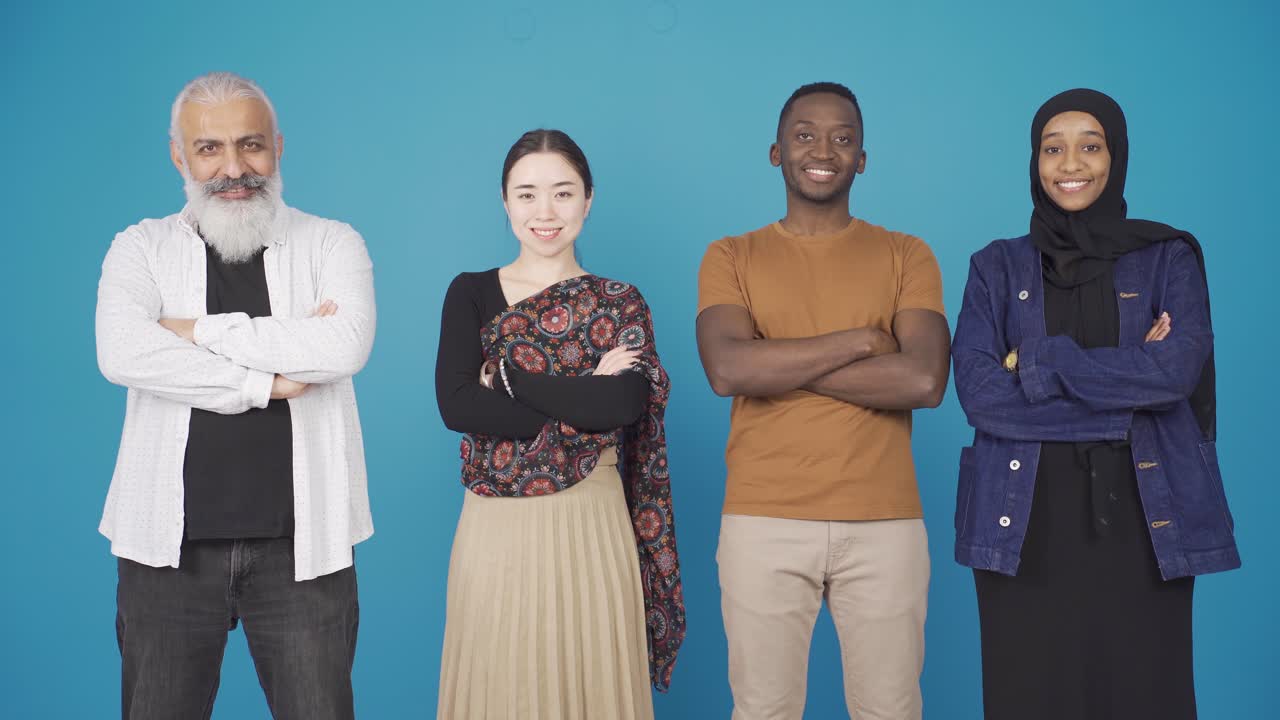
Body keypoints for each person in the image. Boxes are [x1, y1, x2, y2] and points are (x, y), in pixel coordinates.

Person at [951, 88, 1240, 720]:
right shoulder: (994, 267)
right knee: (1029, 699)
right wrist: (1128, 393)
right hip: (1022, 521)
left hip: (1145, 517)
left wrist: (1037, 359)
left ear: (1117, 155)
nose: (1071, 163)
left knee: (1145, 697)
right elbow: (978, 395)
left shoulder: (1169, 258)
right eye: (1053, 148)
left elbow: (1176, 373)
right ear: (1035, 161)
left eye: (1091, 145)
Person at [95, 71, 376, 720]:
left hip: (303, 549)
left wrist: (192, 332)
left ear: (278, 146)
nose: (233, 168)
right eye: (209, 149)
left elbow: (343, 348)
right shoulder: (141, 248)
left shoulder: (333, 242)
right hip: (167, 553)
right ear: (180, 156)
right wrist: (266, 382)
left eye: (250, 145)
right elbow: (123, 352)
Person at [696, 82, 951, 720]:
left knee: (892, 711)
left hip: (886, 522)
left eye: (843, 138)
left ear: (862, 159)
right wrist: (863, 343)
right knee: (763, 711)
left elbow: (924, 382)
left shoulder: (906, 253)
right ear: (777, 151)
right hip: (763, 519)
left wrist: (776, 360)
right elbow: (727, 369)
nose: (823, 150)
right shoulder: (731, 254)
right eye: (805, 134)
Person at [434, 129, 684, 719]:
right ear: (504, 201)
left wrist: (516, 383)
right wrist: (585, 389)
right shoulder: (469, 294)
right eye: (526, 195)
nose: (544, 213)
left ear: (589, 199)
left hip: (591, 525)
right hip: (496, 527)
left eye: (563, 193)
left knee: (589, 683)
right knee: (500, 688)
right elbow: (459, 405)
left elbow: (621, 407)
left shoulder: (621, 302)